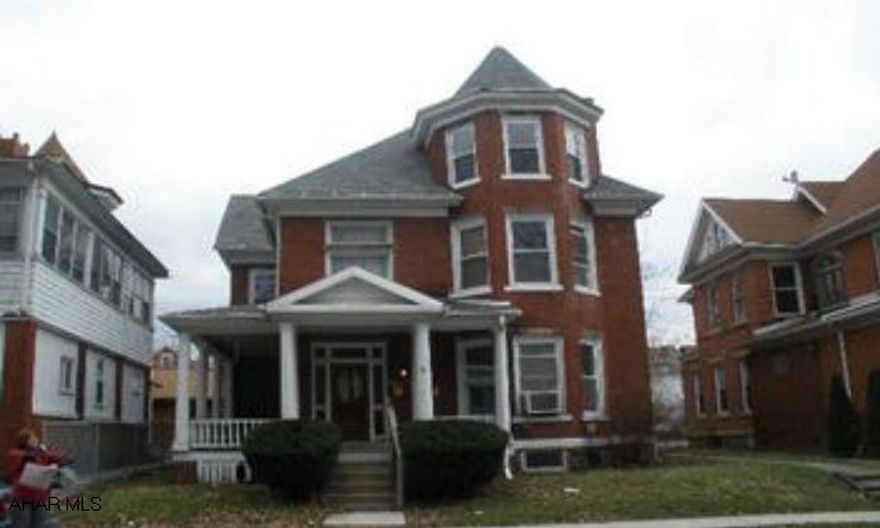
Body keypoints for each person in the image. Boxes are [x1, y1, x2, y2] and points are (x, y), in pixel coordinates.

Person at [3, 429, 64, 528]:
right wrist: (38, 451)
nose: (36, 440)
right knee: (21, 524)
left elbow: (62, 458)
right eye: (32, 438)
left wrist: (49, 454)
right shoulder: (15, 453)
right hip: (21, 498)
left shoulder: (42, 453)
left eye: (35, 438)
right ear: (24, 440)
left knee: (40, 524)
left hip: (40, 497)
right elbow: (19, 461)